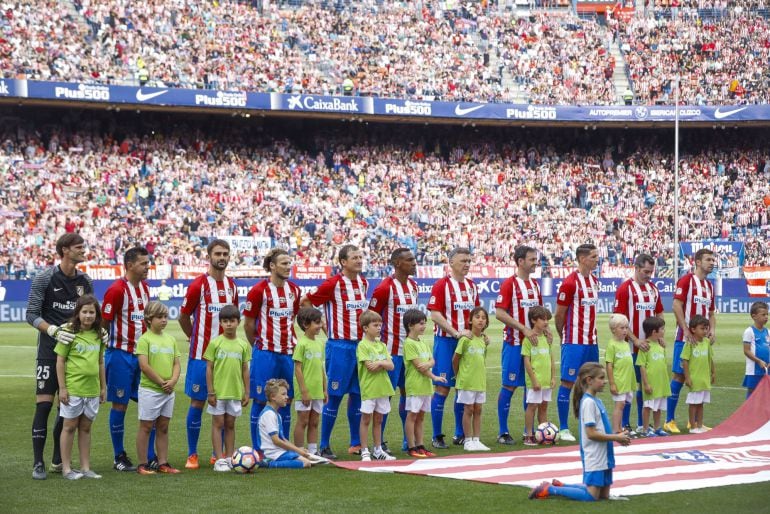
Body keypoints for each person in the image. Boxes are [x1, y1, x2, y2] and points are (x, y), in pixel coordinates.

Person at [27, 233, 95, 480]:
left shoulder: (85, 280)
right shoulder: (45, 278)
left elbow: (90, 313)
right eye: (79, 247)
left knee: (65, 409)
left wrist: (99, 332)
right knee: (44, 405)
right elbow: (31, 314)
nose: (83, 250)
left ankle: (58, 458)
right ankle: (38, 462)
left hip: (74, 355)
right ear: (65, 250)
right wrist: (53, 330)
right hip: (48, 352)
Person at [302, 244, 369, 460]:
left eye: (361, 257)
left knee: (358, 395)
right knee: (334, 395)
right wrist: (322, 325)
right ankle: (323, 444)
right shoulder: (332, 284)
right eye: (354, 257)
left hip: (361, 346)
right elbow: (307, 303)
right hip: (340, 346)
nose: (359, 260)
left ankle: (355, 442)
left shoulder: (363, 282)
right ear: (343, 262)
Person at [529, 362, 631, 502]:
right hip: (595, 455)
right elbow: (591, 433)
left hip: (605, 454)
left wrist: (618, 436)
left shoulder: (597, 400)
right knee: (591, 496)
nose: (605, 381)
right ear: (589, 380)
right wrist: (616, 437)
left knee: (603, 496)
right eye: (601, 378)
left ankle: (564, 485)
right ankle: (551, 489)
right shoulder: (588, 403)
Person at [179, 239, 238, 469]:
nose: (222, 257)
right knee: (197, 402)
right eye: (218, 254)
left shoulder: (232, 286)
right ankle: (192, 454)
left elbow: (232, 315)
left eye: (225, 254)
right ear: (209, 256)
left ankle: (219, 453)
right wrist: (194, 338)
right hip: (201, 357)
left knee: (222, 405)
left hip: (226, 360)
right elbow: (184, 317)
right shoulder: (198, 286)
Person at [244, 248, 301, 452]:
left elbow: (291, 319)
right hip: (265, 354)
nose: (288, 267)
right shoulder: (259, 291)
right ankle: (258, 449)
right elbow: (249, 325)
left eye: (289, 263)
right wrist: (259, 348)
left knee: (286, 399)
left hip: (287, 353)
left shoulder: (294, 290)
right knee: (261, 400)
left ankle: (283, 447)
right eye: (284, 263)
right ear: (272, 266)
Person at [101, 246, 151, 472]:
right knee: (120, 405)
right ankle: (118, 456)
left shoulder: (145, 289)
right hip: (120, 355)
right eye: (143, 263)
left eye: (147, 262)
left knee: (150, 403)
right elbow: (103, 323)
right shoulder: (116, 290)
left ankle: (150, 455)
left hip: (141, 356)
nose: (147, 266)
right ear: (129, 265)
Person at [495, 245, 548, 445]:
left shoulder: (535, 285)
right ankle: (503, 431)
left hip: (534, 346)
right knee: (509, 386)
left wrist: (547, 329)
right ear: (520, 261)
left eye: (536, 259)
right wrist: (523, 329)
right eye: (532, 259)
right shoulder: (509, 284)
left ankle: (530, 431)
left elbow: (541, 314)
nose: (536, 263)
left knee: (531, 388)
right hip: (514, 344)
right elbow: (500, 313)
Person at [428, 247, 480, 449]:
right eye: (462, 261)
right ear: (451, 263)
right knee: (442, 387)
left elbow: (476, 314)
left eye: (469, 261)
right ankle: (437, 435)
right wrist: (455, 332)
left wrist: (479, 334)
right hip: (446, 343)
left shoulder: (472, 286)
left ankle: (460, 433)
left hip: (466, 344)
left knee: (464, 387)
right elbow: (434, 314)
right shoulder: (442, 285)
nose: (467, 264)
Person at [368, 247, 419, 452]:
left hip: (409, 354)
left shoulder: (414, 286)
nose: (414, 263)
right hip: (390, 353)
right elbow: (370, 318)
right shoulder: (384, 288)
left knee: (410, 396)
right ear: (398, 263)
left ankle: (410, 442)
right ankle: (379, 443)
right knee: (385, 398)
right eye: (410, 260)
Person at [54, 295, 105, 480]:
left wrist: (103, 387)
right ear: (78, 313)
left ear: (96, 314)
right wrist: (63, 388)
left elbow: (100, 362)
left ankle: (85, 468)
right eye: (85, 312)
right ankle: (67, 469)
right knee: (69, 427)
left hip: (92, 390)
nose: (88, 316)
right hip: (74, 389)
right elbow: (60, 361)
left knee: (86, 428)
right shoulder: (69, 333)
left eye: (92, 312)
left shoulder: (99, 335)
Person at [665, 248, 716, 433]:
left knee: (698, 378)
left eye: (713, 260)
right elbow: (676, 305)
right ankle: (668, 419)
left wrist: (713, 330)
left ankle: (693, 422)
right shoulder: (686, 280)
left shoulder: (709, 286)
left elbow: (711, 314)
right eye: (708, 259)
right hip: (684, 338)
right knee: (679, 376)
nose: (712, 262)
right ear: (697, 262)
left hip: (702, 341)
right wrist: (686, 330)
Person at [613, 253, 664, 434]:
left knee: (646, 386)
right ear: (636, 268)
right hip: (629, 348)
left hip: (649, 349)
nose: (649, 275)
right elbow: (619, 320)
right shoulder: (625, 289)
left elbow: (659, 313)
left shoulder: (653, 289)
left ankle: (644, 425)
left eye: (651, 272)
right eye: (645, 271)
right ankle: (625, 424)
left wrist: (660, 336)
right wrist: (635, 340)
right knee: (628, 387)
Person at [554, 244, 600, 442]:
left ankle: (587, 425)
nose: (597, 259)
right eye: (593, 256)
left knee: (591, 384)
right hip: (574, 342)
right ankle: (564, 428)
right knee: (568, 382)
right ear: (582, 259)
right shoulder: (570, 283)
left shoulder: (595, 281)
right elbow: (559, 314)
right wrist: (563, 335)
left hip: (592, 341)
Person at [135, 301, 182, 475]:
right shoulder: (144, 339)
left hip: (168, 391)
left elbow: (177, 363)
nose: (164, 320)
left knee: (163, 427)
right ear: (149, 319)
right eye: (159, 317)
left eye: (165, 317)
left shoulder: (170, 339)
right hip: (151, 390)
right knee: (146, 426)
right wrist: (163, 382)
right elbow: (144, 366)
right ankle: (142, 464)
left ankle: (163, 463)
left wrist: (174, 380)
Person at [204, 305, 250, 471]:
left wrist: (247, 391)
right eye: (225, 321)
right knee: (218, 423)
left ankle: (231, 458)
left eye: (232, 321)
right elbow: (209, 368)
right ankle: (219, 459)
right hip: (218, 392)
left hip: (235, 392)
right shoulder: (215, 343)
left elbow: (245, 368)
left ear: (238, 322)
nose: (229, 324)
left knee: (230, 424)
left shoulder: (243, 345)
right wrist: (210, 391)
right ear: (221, 323)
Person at [403, 309, 445, 458]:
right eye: (421, 323)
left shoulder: (424, 342)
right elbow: (419, 366)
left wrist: (428, 364)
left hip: (425, 387)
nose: (424, 326)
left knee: (421, 417)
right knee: (412, 416)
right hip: (415, 386)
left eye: (424, 323)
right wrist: (434, 376)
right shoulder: (408, 343)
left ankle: (420, 445)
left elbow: (431, 360)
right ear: (410, 325)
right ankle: (411, 446)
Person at [356, 310, 396, 461]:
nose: (379, 328)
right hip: (369, 388)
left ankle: (378, 449)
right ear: (366, 328)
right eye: (375, 325)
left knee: (379, 420)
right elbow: (369, 367)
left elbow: (391, 365)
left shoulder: (382, 345)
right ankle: (364, 450)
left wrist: (380, 362)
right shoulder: (362, 345)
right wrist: (382, 364)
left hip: (383, 388)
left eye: (380, 325)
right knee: (366, 419)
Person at [453, 307, 491, 452]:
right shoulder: (465, 339)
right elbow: (455, 360)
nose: (480, 319)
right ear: (470, 320)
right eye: (477, 317)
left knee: (478, 409)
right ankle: (467, 440)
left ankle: (476, 439)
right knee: (468, 409)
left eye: (483, 317)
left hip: (479, 381)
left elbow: (482, 360)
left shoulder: (483, 340)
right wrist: (458, 377)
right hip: (466, 381)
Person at [293, 307, 328, 456]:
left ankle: (313, 451)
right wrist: (304, 390)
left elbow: (321, 368)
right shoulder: (301, 344)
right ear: (306, 324)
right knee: (303, 421)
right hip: (305, 391)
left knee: (314, 421)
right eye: (316, 323)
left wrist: (324, 389)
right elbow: (298, 369)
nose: (320, 326)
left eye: (320, 322)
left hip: (318, 390)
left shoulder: (320, 343)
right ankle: (300, 452)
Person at [258, 378, 315, 469]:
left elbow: (282, 439)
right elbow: (276, 440)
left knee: (306, 459)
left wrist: (298, 450)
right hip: (273, 454)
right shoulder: (269, 414)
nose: (287, 397)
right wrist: (298, 451)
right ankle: (269, 464)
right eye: (283, 394)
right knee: (306, 463)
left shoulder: (276, 414)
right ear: (273, 396)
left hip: (279, 452)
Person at [522, 306, 555, 446]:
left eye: (547, 319)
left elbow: (551, 359)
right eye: (542, 319)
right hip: (536, 381)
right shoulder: (529, 339)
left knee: (544, 407)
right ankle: (528, 435)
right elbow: (527, 361)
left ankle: (544, 434)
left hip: (547, 380)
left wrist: (553, 377)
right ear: (533, 320)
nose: (546, 322)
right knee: (532, 406)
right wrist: (534, 379)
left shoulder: (547, 338)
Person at [637, 316, 671, 436]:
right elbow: (642, 366)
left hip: (661, 383)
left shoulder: (661, 346)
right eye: (662, 329)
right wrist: (646, 383)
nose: (664, 331)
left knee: (658, 407)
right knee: (648, 407)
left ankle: (657, 428)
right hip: (651, 383)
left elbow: (663, 364)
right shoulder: (645, 347)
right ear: (654, 332)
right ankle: (645, 430)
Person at [682, 315, 716, 434]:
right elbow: (685, 360)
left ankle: (700, 425)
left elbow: (710, 358)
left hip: (704, 379)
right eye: (702, 328)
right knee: (693, 403)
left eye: (706, 328)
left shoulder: (707, 342)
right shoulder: (690, 343)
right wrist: (687, 377)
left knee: (701, 403)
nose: (705, 331)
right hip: (695, 378)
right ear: (693, 329)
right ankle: (692, 426)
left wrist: (713, 372)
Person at [605, 314, 636, 434]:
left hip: (627, 380)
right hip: (619, 380)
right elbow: (609, 365)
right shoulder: (612, 345)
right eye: (621, 328)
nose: (625, 331)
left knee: (623, 404)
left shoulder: (626, 344)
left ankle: (620, 427)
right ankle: (615, 429)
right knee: (619, 404)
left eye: (626, 328)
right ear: (613, 329)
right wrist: (612, 383)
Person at [742, 301, 769, 398]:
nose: (766, 317)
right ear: (754, 316)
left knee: (765, 394)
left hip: (766, 369)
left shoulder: (768, 332)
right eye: (763, 314)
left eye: (767, 314)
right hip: (754, 370)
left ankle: (762, 413)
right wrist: (758, 361)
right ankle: (749, 413)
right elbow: (746, 350)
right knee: (752, 394)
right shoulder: (749, 331)